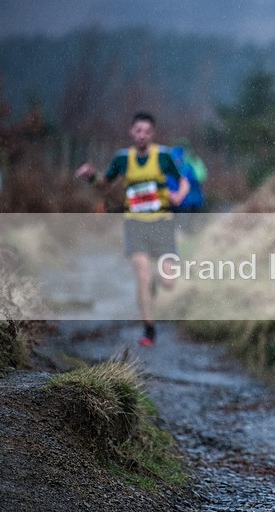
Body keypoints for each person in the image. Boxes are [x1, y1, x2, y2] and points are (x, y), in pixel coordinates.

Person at [75, 112, 189, 347]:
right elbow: (104, 185)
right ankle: (149, 330)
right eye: (138, 131)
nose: (142, 136)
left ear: (152, 134)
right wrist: (91, 176)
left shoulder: (164, 156)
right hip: (135, 225)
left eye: (147, 132)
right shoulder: (122, 159)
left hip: (162, 224)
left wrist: (179, 194)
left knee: (169, 282)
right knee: (142, 276)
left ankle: (156, 284)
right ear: (131, 132)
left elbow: (184, 181)